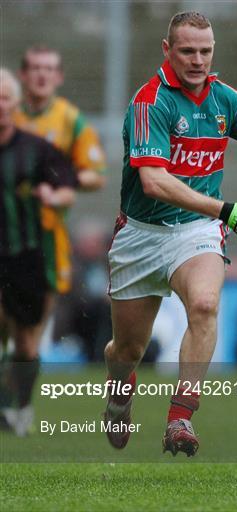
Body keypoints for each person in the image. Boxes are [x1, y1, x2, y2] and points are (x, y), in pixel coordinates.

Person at [103, 11, 237, 457]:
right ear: (167, 50)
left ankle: (180, 416)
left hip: (198, 231)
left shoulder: (229, 101)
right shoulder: (150, 102)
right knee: (127, 348)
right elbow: (154, 182)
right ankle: (119, 395)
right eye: (187, 51)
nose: (197, 60)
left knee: (204, 304)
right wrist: (228, 209)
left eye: (205, 51)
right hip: (141, 234)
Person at [0, 68, 76, 436]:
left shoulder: (36, 149)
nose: (0, 105)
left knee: (26, 344)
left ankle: (22, 406)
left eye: (4, 97)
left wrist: (53, 196)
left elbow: (67, 188)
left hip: (26, 258)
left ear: (16, 103)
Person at [13, 45, 106, 333]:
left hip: (48, 235)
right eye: (36, 68)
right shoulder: (8, 117)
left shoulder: (69, 120)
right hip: (8, 230)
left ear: (59, 77)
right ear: (23, 75)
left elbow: (96, 175)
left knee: (34, 327)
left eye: (49, 69)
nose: (42, 75)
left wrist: (63, 181)